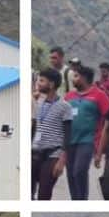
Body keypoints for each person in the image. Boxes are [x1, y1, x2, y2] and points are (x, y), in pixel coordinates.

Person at [65, 65, 109, 200]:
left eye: (76, 76)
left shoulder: (99, 95)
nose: (73, 79)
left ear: (84, 78)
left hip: (88, 140)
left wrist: (102, 148)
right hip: (70, 141)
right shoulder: (69, 96)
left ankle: (82, 200)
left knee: (79, 171)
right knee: (70, 174)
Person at [32, 68, 73, 200]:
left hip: (53, 153)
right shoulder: (38, 102)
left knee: (44, 192)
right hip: (34, 151)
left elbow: (68, 135)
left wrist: (62, 161)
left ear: (51, 84)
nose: (38, 83)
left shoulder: (65, 106)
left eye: (42, 81)